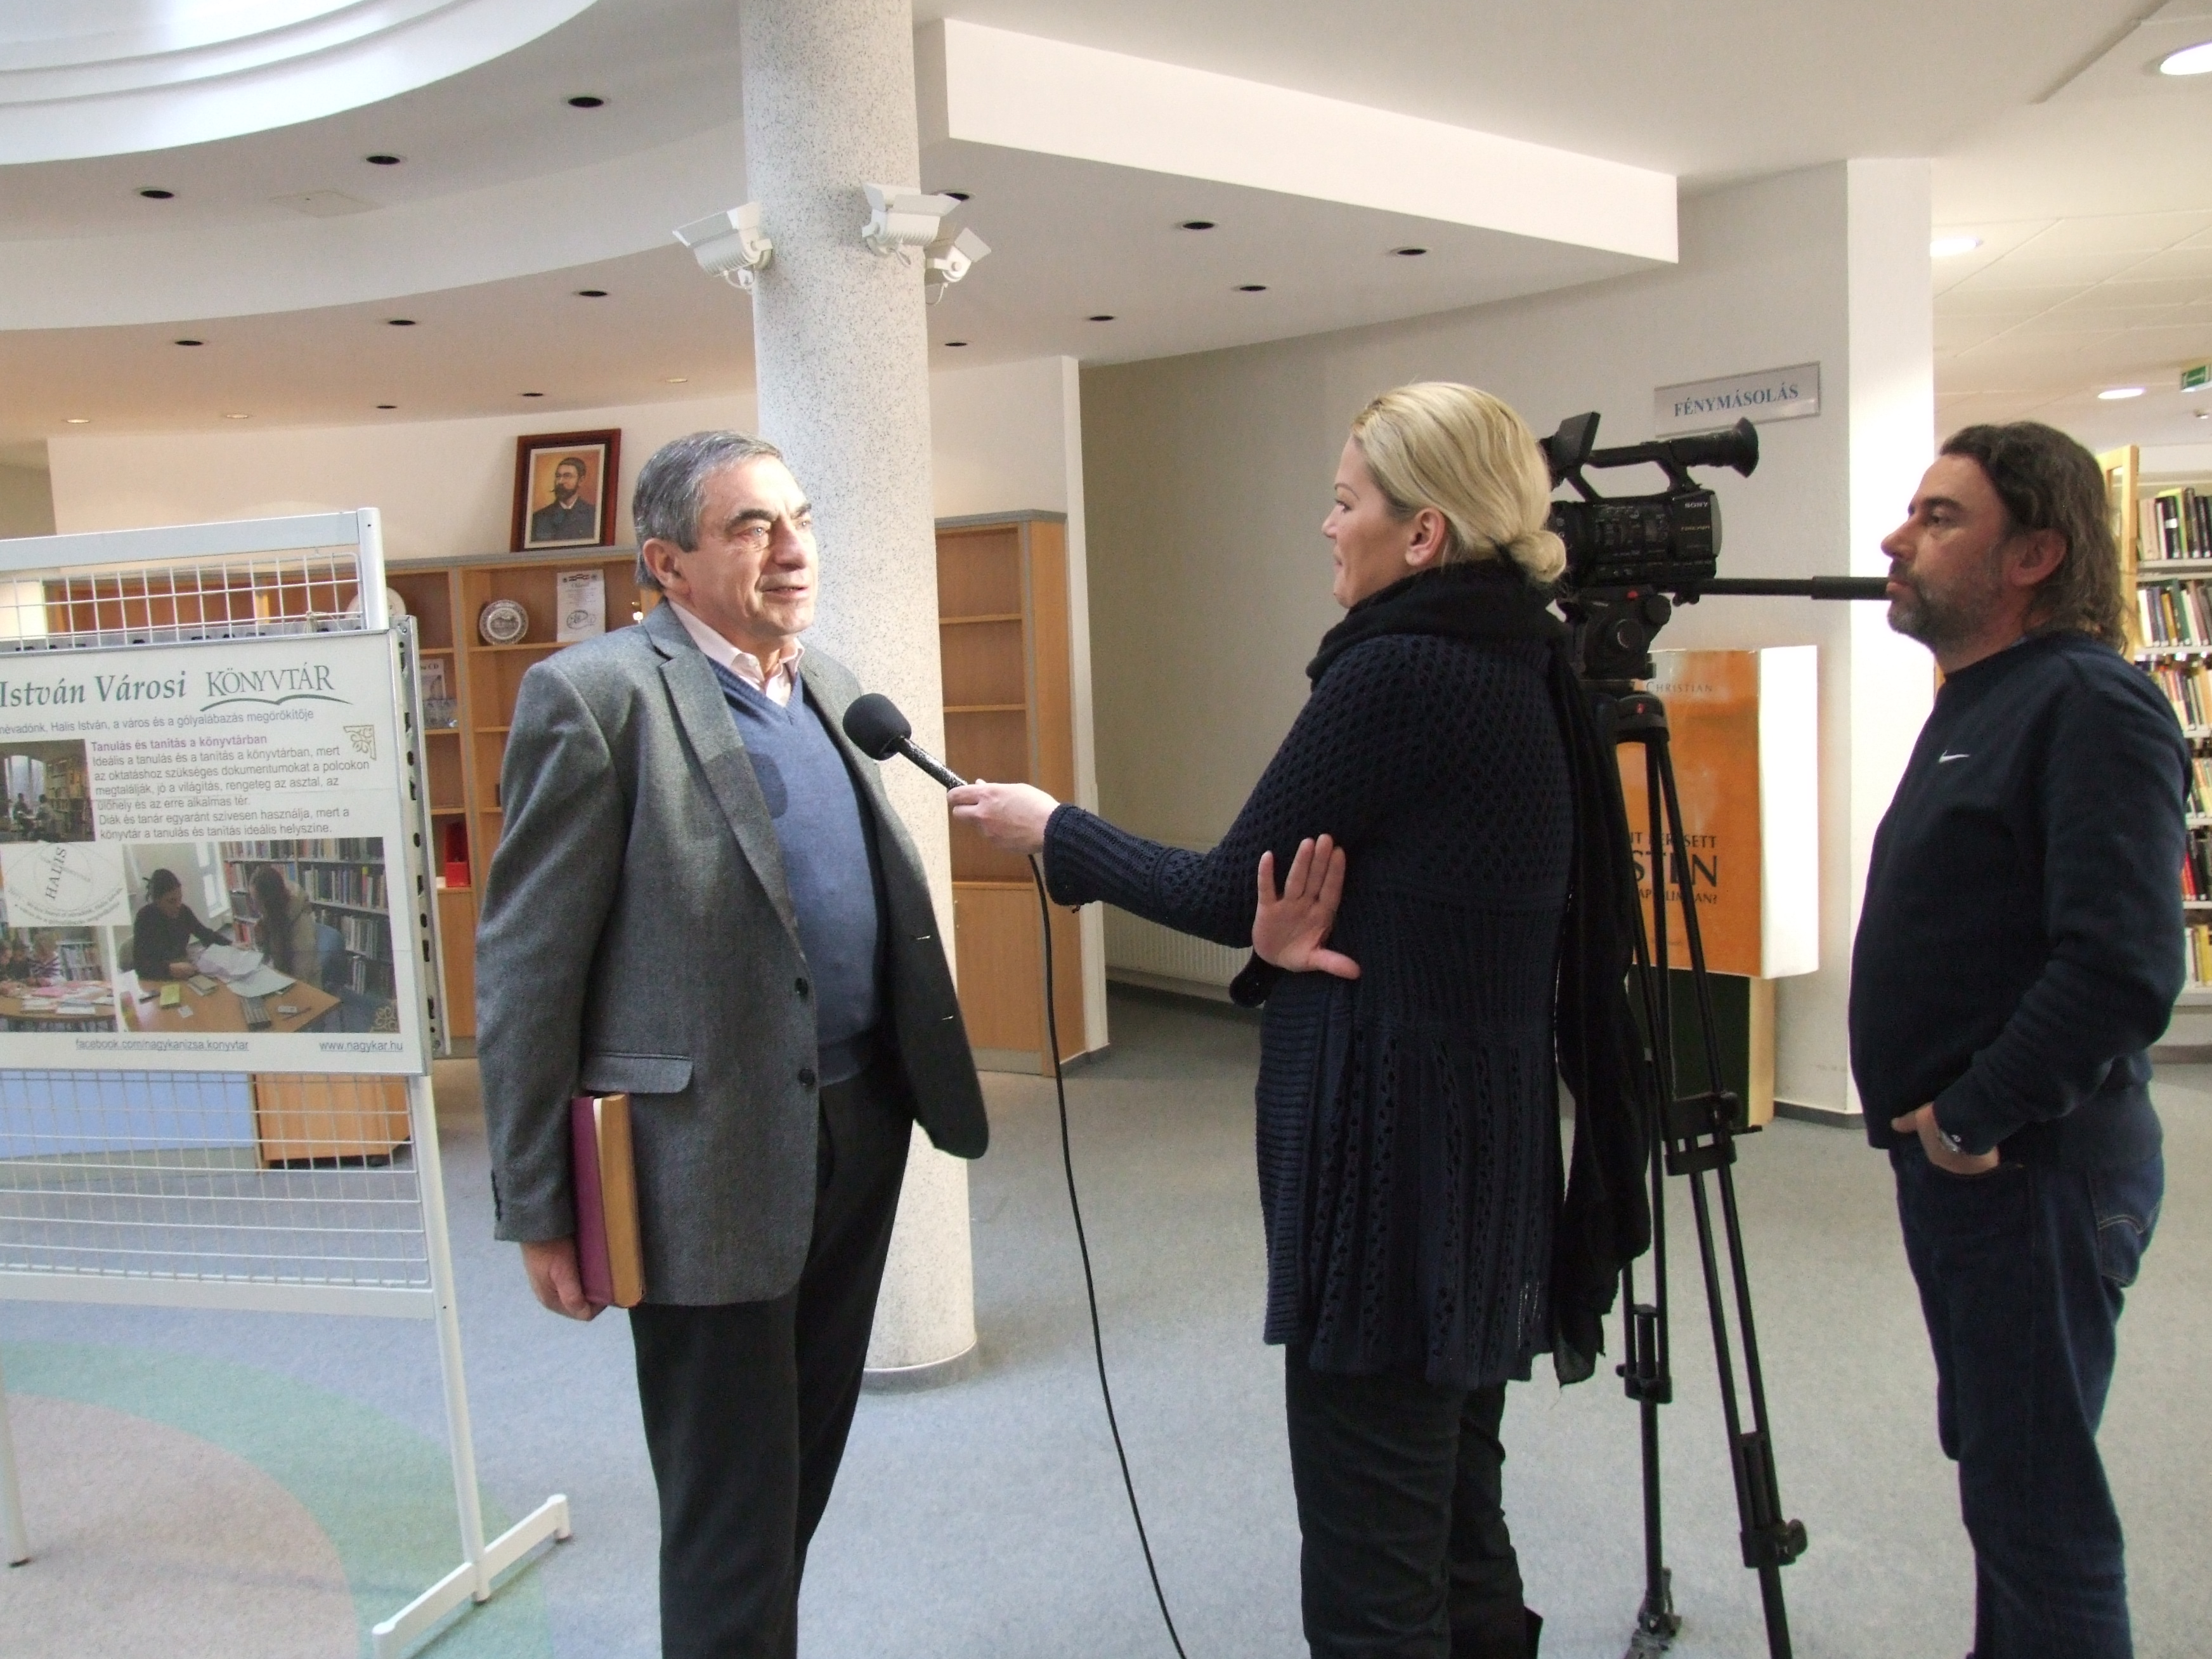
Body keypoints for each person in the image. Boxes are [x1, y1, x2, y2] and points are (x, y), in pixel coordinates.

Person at [952, 382, 1648, 1659]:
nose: (1326, 526)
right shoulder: (1527, 659)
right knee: (1457, 1519)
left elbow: (1230, 889)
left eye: (1344, 502)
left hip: (1393, 1179)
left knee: (1374, 1572)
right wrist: (1280, 943)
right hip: (1484, 1157)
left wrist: (1054, 830)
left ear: (1422, 534)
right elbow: (1413, 905)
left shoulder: (1402, 670)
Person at [477, 429, 987, 1659]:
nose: (791, 547)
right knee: (728, 1500)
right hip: (700, 1159)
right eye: (752, 526)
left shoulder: (827, 684)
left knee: (797, 1468)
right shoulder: (596, 698)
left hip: (859, 1124)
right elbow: (528, 970)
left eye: (797, 517)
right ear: (667, 563)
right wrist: (541, 1205)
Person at [1851, 422, 2182, 1659]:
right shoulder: (1985, 698)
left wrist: (1969, 1113)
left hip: (2028, 1168)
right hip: (1975, 1175)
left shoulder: (2089, 704)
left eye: (1939, 518)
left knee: (2039, 1509)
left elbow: (2122, 965)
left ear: (2034, 555)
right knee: (2008, 1483)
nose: (1897, 539)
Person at [131, 868, 230, 980]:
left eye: (180, 899)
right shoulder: (145, 918)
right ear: (157, 901)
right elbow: (141, 966)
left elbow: (205, 934)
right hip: (158, 978)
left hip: (183, 972)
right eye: (171, 901)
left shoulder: (183, 912)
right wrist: (169, 969)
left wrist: (231, 944)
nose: (178, 905)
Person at [249, 864, 322, 991]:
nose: (254, 908)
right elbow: (266, 960)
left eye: (258, 902)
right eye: (253, 901)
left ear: (270, 902)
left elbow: (299, 981)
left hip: (305, 990)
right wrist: (260, 942)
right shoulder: (273, 915)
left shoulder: (302, 928)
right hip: (279, 981)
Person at [529, 455, 599, 543]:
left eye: (567, 476)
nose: (560, 482)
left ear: (581, 481)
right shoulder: (539, 518)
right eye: (558, 476)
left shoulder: (593, 515)